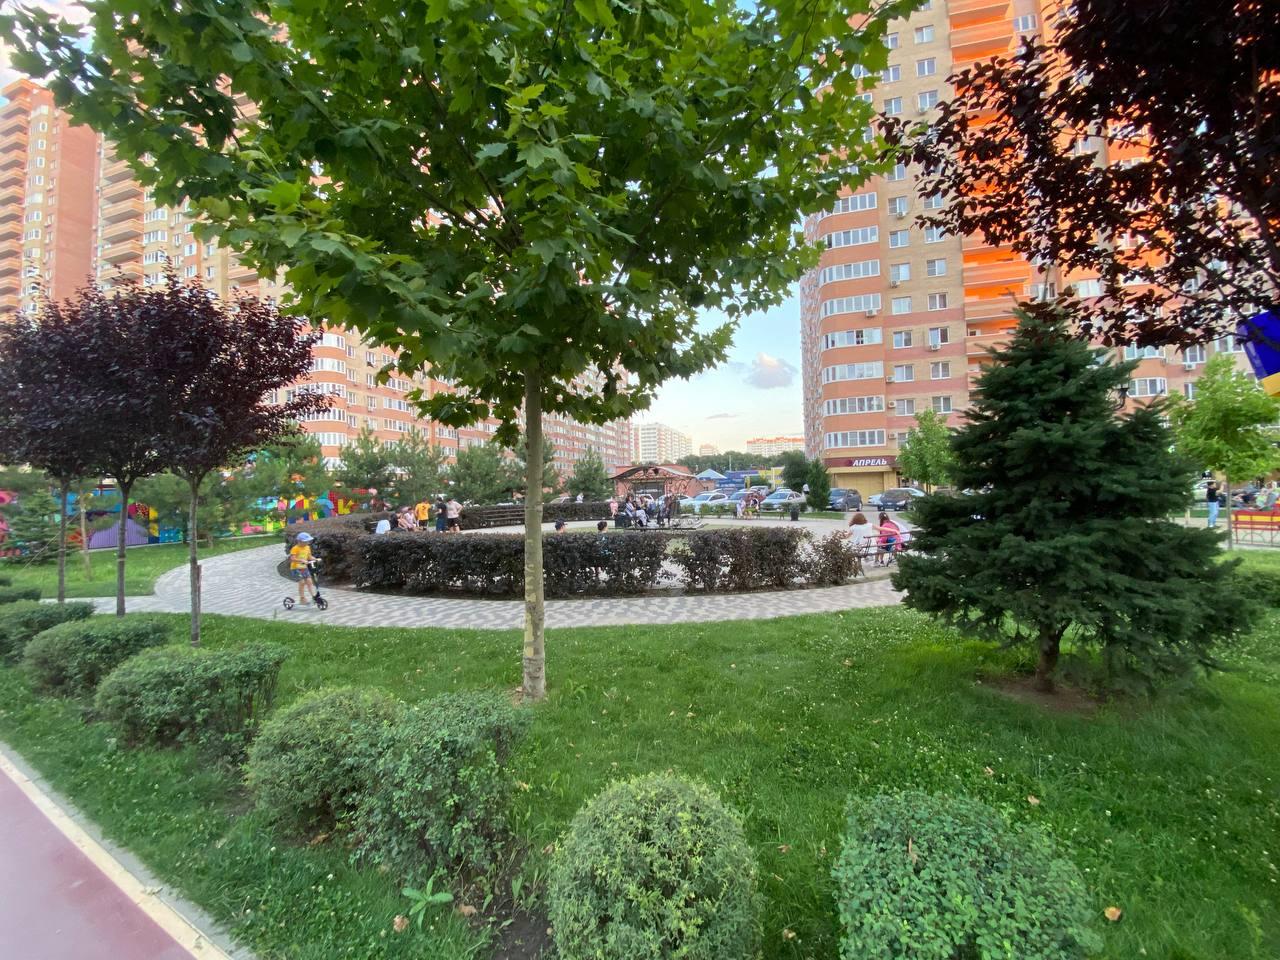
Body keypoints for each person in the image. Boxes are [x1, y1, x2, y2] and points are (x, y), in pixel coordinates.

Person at [288, 532, 320, 606]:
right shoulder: (295, 548)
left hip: (304, 568)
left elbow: (309, 557)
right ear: (299, 541)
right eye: (306, 541)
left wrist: (315, 559)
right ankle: (302, 599)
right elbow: (292, 558)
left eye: (308, 541)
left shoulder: (307, 547)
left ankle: (314, 597)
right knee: (302, 582)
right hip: (296, 568)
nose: (308, 542)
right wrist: (301, 560)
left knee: (309, 582)